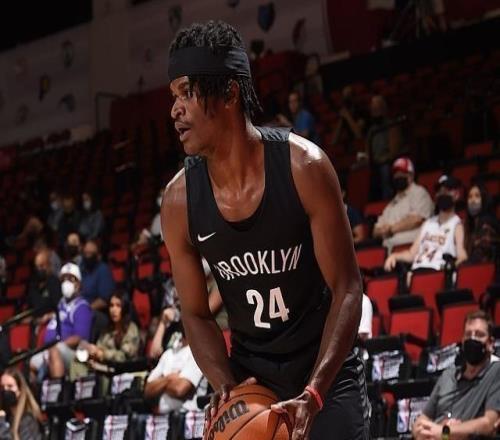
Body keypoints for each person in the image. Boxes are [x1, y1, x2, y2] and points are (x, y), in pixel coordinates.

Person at [161, 20, 368, 440]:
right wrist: (226, 386)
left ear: (229, 93)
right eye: (173, 97)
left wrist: (314, 392)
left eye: (186, 93)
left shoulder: (305, 168)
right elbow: (196, 313)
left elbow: (347, 288)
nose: (174, 110)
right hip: (251, 375)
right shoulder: (178, 201)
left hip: (323, 368)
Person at [412, 311, 500, 440]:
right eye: (468, 334)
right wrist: (418, 430)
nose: (472, 339)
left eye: (479, 335)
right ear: (462, 341)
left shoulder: (496, 372)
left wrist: (445, 432)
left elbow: (489, 424)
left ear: (490, 343)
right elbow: (423, 419)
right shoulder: (448, 375)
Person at [384, 175, 467, 278]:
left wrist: (452, 267)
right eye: (440, 191)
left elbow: (462, 255)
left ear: (457, 195)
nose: (443, 193)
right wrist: (394, 256)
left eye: (447, 190)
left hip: (438, 272)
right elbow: (411, 253)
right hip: (417, 271)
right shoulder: (428, 223)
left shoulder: (457, 224)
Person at [30, 263, 93, 380]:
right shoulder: (61, 303)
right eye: (64, 279)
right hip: (51, 349)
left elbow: (79, 337)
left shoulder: (82, 307)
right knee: (33, 361)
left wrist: (57, 346)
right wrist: (49, 316)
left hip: (73, 353)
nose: (66, 283)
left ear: (78, 284)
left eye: (71, 279)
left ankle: (57, 387)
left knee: (54, 351)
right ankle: (37, 391)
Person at [145, 324, 208, 436]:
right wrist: (169, 378)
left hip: (187, 423)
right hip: (162, 422)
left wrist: (160, 383)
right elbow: (148, 390)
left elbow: (180, 390)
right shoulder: (168, 354)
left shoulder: (198, 351)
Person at [71, 291, 140, 378]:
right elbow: (99, 347)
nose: (113, 310)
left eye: (118, 306)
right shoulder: (107, 330)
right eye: (111, 306)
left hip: (124, 372)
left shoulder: (131, 328)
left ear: (124, 308)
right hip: (104, 368)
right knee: (77, 361)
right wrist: (91, 352)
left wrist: (103, 354)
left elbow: (124, 357)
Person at [373, 157, 434, 252]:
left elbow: (417, 220)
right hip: (390, 250)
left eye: (402, 173)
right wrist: (381, 231)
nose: (398, 176)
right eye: (396, 174)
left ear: (411, 175)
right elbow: (375, 231)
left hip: (413, 249)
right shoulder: (392, 203)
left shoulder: (419, 193)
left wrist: (390, 229)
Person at [366, 95, 402, 200]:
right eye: (373, 109)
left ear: (384, 109)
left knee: (384, 169)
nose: (375, 112)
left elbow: (394, 151)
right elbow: (367, 151)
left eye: (377, 108)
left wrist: (383, 159)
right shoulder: (371, 130)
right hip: (374, 163)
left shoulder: (391, 126)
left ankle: (387, 198)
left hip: (387, 161)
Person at [0, 369, 43, 440]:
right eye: (2, 387)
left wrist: (1, 423)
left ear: (20, 389)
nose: (5, 390)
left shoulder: (28, 419)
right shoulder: (7, 415)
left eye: (10, 386)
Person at [465, 183, 499, 264]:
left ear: (484, 199)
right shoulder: (470, 224)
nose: (473, 200)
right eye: (470, 197)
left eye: (477, 196)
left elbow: (481, 251)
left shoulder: (488, 222)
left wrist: (463, 266)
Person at [26, 250, 61, 325]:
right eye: (37, 267)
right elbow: (29, 308)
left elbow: (58, 307)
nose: (39, 269)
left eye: (42, 266)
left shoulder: (55, 283)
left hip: (51, 322)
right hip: (36, 322)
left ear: (49, 265)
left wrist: (49, 316)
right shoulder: (33, 285)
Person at [79, 240, 115, 311]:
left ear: (98, 256)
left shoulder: (103, 270)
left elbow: (104, 300)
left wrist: (86, 310)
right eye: (85, 253)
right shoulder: (81, 268)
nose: (87, 257)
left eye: (91, 254)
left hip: (94, 311)